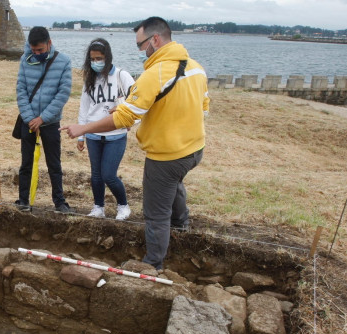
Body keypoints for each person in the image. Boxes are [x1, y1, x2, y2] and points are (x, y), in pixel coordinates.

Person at [61, 17, 209, 269]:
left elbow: (123, 117)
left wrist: (83, 128)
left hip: (166, 154)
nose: (140, 50)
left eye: (141, 45)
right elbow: (204, 107)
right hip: (194, 149)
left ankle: (153, 265)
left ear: (155, 40)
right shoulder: (195, 67)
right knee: (175, 185)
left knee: (155, 214)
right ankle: (181, 226)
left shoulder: (155, 74)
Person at [14, 26, 72, 213]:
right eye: (34, 50)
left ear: (49, 43)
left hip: (50, 122)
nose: (37, 53)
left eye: (40, 50)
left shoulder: (63, 62)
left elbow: (63, 94)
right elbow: (21, 90)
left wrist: (43, 118)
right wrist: (30, 118)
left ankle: (59, 202)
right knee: (26, 163)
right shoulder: (25, 60)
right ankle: (23, 200)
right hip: (28, 121)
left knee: (54, 164)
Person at [76, 38, 135, 221]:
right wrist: (81, 134)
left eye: (99, 58)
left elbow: (137, 98)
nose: (95, 62)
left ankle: (123, 206)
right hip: (93, 135)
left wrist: (124, 110)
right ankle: (98, 207)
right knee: (96, 175)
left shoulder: (122, 75)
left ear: (108, 57)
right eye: (92, 59)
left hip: (115, 134)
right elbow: (84, 107)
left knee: (108, 174)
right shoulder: (90, 78)